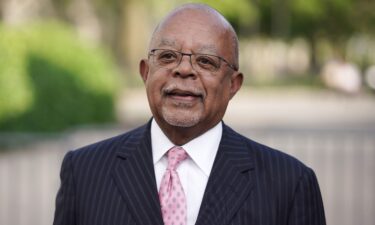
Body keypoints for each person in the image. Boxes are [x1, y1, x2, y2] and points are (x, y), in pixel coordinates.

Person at [53, 3, 326, 225]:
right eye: (168, 56)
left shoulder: (290, 184)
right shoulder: (84, 171)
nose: (184, 70)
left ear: (233, 84)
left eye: (206, 61)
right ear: (145, 72)